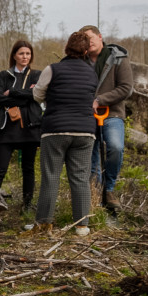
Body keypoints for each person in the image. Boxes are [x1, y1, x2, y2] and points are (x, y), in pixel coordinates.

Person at [31, 31, 98, 236]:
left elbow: (37, 94)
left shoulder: (53, 69)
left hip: (55, 130)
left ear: (66, 48)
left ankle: (44, 223)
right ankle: (82, 225)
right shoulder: (92, 73)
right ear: (86, 50)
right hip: (85, 132)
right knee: (80, 178)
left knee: (51, 177)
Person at [0, 41, 43, 222]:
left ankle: (27, 206)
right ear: (14, 55)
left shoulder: (37, 75)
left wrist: (12, 93)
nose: (25, 57)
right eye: (21, 53)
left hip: (30, 128)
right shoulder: (4, 75)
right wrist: (24, 95)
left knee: (28, 168)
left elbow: (36, 96)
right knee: (0, 170)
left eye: (28, 54)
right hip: (8, 129)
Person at [79, 25, 134, 212]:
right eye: (84, 39)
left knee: (116, 147)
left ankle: (109, 188)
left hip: (112, 113)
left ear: (100, 37)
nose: (88, 42)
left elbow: (126, 87)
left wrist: (100, 100)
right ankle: (96, 193)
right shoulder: (80, 61)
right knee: (91, 154)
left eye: (90, 37)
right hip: (87, 115)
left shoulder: (118, 58)